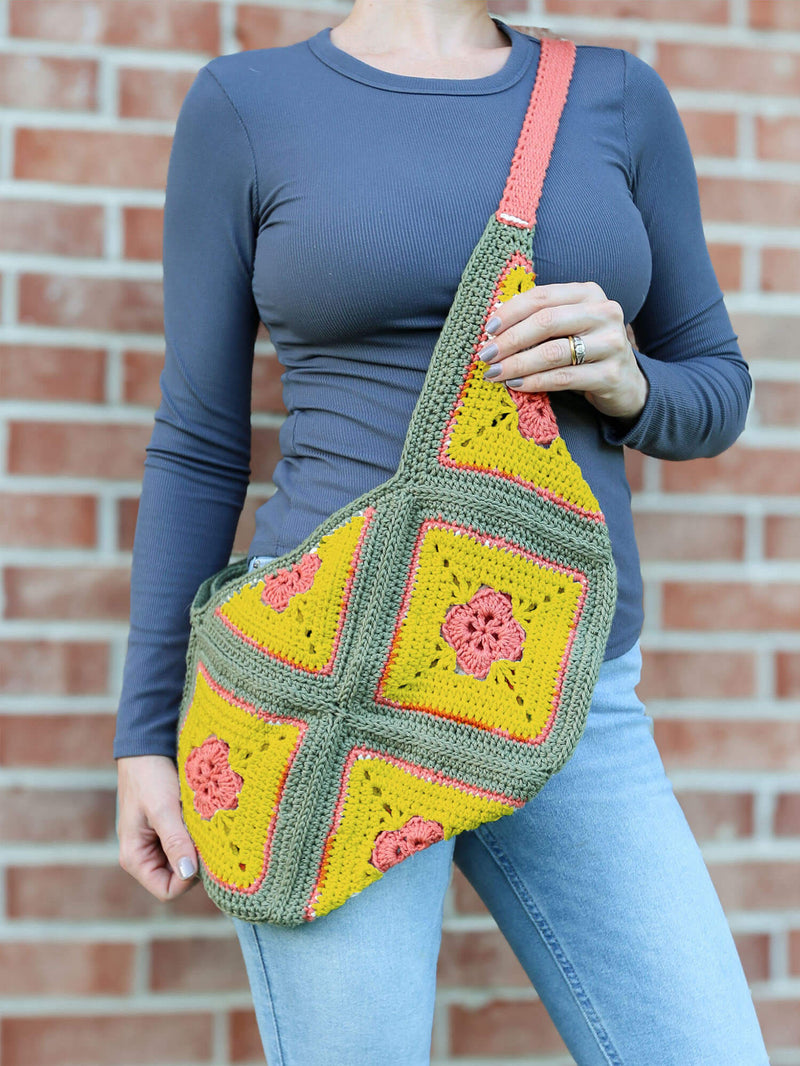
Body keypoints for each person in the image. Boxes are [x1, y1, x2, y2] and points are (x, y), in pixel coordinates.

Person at [114, 2, 771, 1062]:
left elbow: (716, 387)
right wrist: (144, 735)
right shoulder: (247, 106)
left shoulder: (614, 98)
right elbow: (197, 441)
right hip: (327, 686)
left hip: (567, 688)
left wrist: (629, 381)